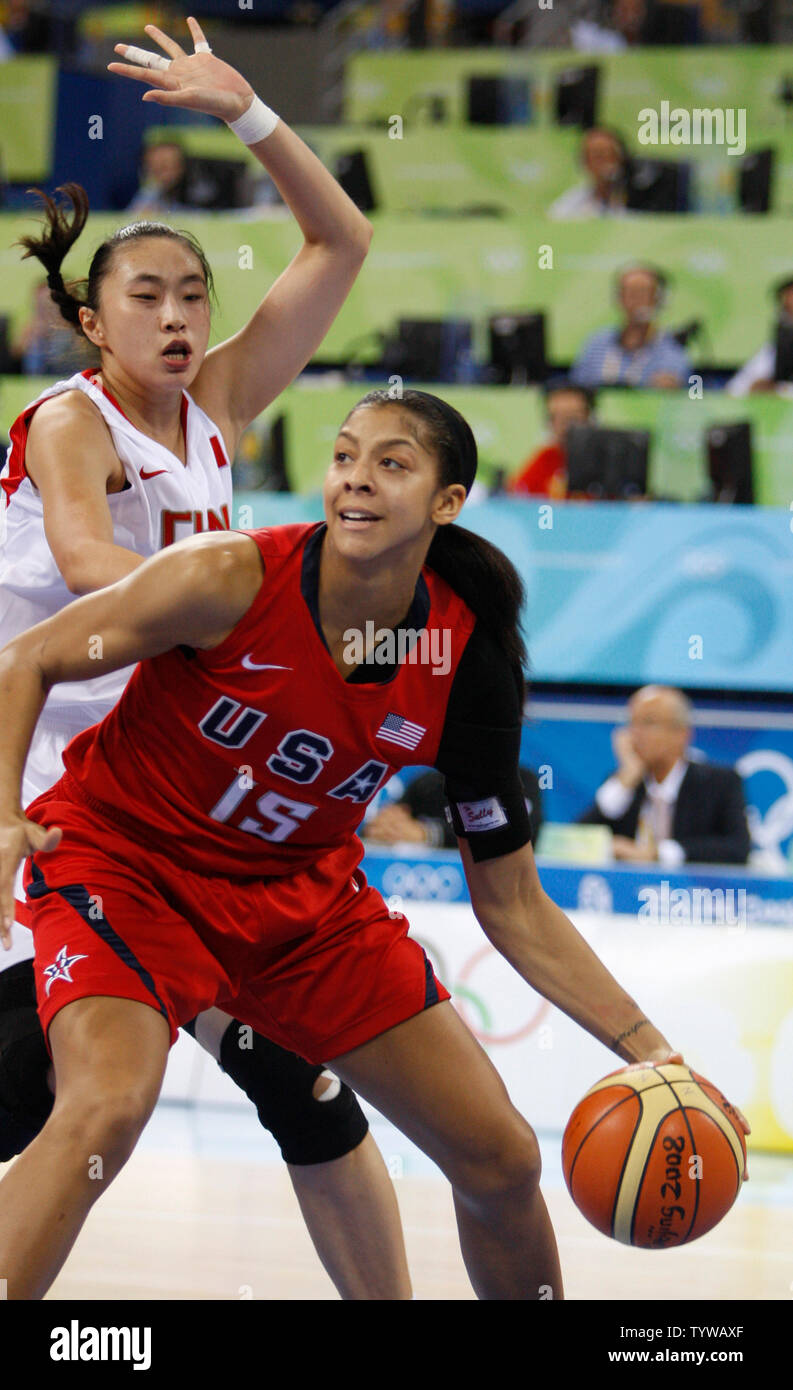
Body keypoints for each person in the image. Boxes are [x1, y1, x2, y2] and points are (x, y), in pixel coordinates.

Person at [0, 379, 721, 1302]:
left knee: (500, 1158)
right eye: (344, 457)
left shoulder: (462, 661)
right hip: (131, 871)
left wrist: (649, 1049)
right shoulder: (229, 577)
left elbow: (511, 902)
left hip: (300, 909)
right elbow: (27, 657)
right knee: (104, 1108)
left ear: (447, 501)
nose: (356, 481)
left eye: (392, 464)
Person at [0, 19, 415, 1301]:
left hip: (180, 806)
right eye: (147, 296)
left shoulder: (219, 409)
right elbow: (82, 563)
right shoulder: (74, 422)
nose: (180, 316)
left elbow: (342, 243)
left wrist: (249, 114)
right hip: (61, 796)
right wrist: (252, 617)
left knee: (310, 1091)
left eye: (194, 295)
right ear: (87, 319)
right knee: (60, 1103)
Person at [578, 685, 751, 865]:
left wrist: (658, 854)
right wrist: (626, 779)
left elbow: (737, 848)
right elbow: (576, 841)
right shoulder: (625, 782)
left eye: (648, 723)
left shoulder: (719, 783)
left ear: (682, 734)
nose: (635, 733)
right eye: (631, 723)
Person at [571, 264, 691, 389]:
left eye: (645, 293)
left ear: (660, 300)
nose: (638, 301)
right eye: (631, 293)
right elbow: (577, 389)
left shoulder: (672, 348)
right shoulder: (596, 343)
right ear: (619, 298)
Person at [365, 766, 542, 849]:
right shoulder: (428, 784)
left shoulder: (521, 781)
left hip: (499, 886)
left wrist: (428, 834)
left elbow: (518, 833)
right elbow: (388, 825)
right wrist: (384, 827)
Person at [507, 384, 594, 498]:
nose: (566, 425)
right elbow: (516, 493)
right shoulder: (547, 457)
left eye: (573, 417)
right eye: (557, 417)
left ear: (588, 417)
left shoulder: (603, 460)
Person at [725, 275, 793, 397]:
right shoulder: (774, 349)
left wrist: (781, 390)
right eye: (787, 309)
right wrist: (758, 387)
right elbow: (734, 389)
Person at [548, 128, 630, 221]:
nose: (607, 162)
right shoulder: (567, 208)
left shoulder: (640, 200)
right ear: (585, 163)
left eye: (612, 155)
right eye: (599, 156)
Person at [126, 140, 190, 218]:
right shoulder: (147, 197)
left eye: (168, 167)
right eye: (157, 169)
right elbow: (130, 220)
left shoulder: (195, 193)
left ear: (181, 168)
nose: (164, 175)